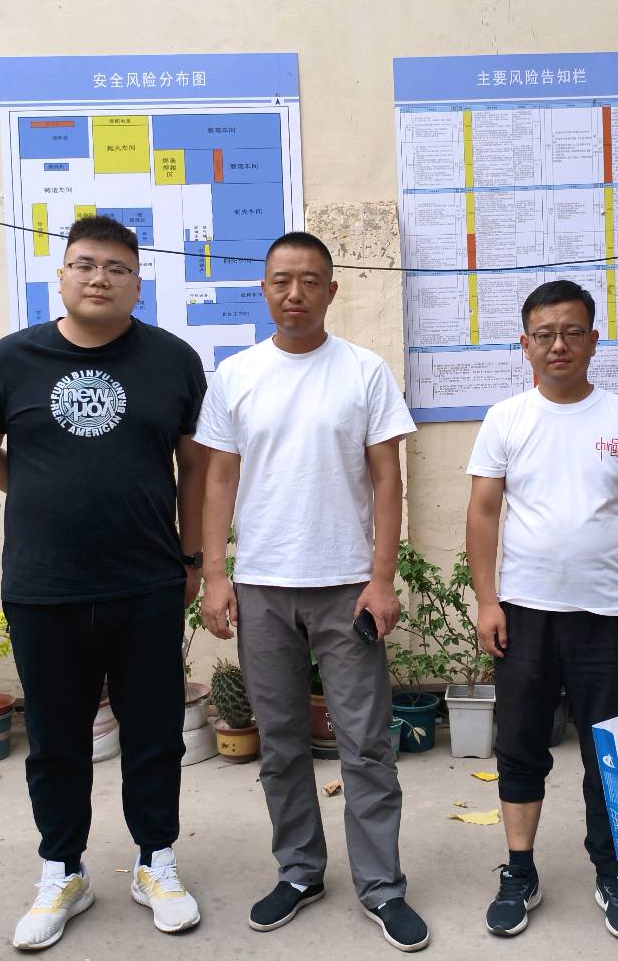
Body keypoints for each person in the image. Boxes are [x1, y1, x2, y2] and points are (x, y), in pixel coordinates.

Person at [0, 214, 208, 951]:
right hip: (45, 586)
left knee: (155, 735)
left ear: (138, 283)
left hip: (147, 582)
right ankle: (62, 870)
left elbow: (194, 465)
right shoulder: (12, 359)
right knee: (56, 740)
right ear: (62, 276)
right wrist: (43, 495)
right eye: (86, 265)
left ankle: (156, 862)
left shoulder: (172, 361)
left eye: (117, 268)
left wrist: (193, 558)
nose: (100, 279)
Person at [194, 231, 430, 953]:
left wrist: (382, 579)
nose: (294, 293)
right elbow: (220, 478)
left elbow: (387, 479)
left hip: (347, 587)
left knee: (365, 744)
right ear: (264, 289)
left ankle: (381, 885)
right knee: (281, 743)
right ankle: (299, 871)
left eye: (309, 280)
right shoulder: (236, 375)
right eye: (280, 280)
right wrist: (214, 574)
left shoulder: (363, 371)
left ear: (331, 289)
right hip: (263, 587)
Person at [464, 279, 618, 941]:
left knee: (607, 750)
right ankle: (519, 870)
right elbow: (483, 511)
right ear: (525, 344)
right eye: (545, 334)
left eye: (572, 332)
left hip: (606, 617)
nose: (559, 345)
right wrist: (487, 600)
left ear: (593, 340)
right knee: (521, 746)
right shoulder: (506, 419)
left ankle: (613, 872)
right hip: (523, 614)